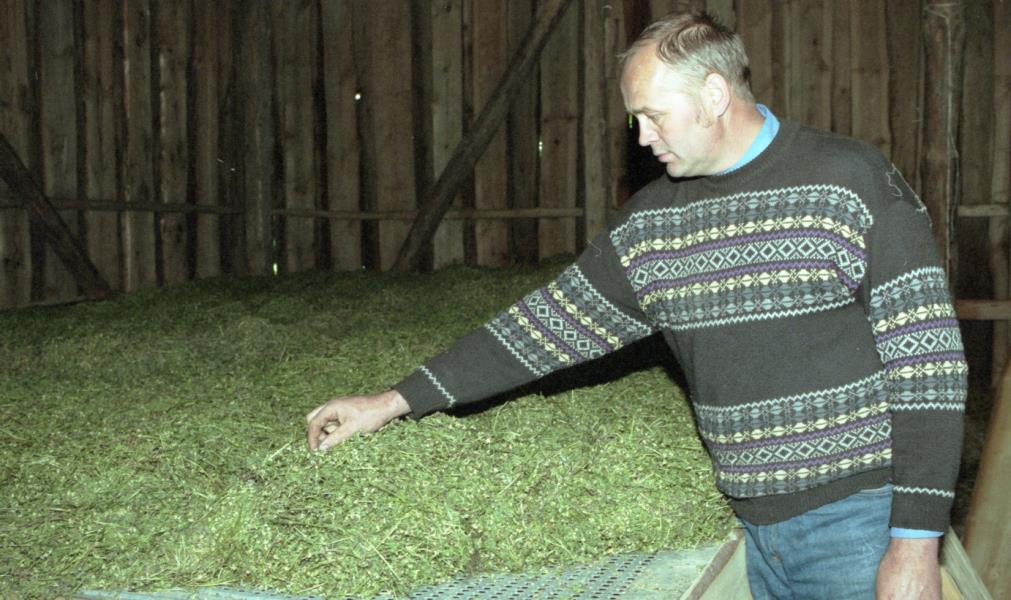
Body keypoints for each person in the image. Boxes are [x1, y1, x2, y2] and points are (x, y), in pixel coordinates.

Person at [306, 11, 967, 600]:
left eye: (654, 114)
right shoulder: (651, 227)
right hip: (753, 528)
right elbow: (541, 328)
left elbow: (928, 363)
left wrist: (915, 543)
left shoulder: (849, 181)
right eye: (635, 119)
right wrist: (393, 400)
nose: (643, 137)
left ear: (713, 95)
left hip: (860, 523)